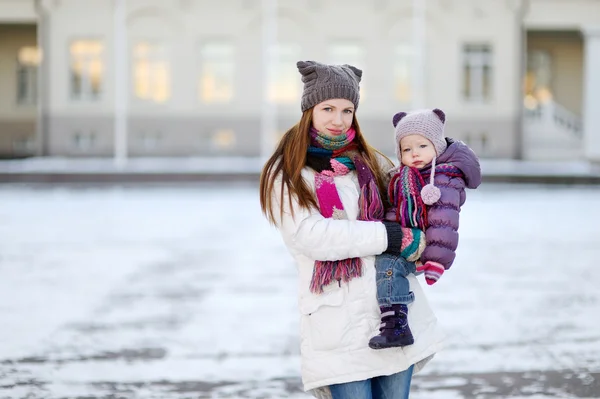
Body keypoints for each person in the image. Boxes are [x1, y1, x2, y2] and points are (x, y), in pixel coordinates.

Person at [259, 60, 446, 399]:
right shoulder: (288, 171)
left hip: (390, 316)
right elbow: (311, 236)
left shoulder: (373, 163)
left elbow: (412, 205)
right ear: (309, 110)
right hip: (338, 326)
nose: (338, 119)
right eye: (328, 108)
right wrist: (388, 236)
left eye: (347, 110)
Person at [368, 108, 482, 350]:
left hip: (427, 248)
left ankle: (396, 325)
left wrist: (435, 261)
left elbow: (445, 220)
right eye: (406, 149)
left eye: (422, 146)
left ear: (437, 146)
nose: (414, 153)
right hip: (410, 236)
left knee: (390, 266)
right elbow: (396, 211)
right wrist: (386, 232)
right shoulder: (405, 176)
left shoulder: (444, 178)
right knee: (384, 260)